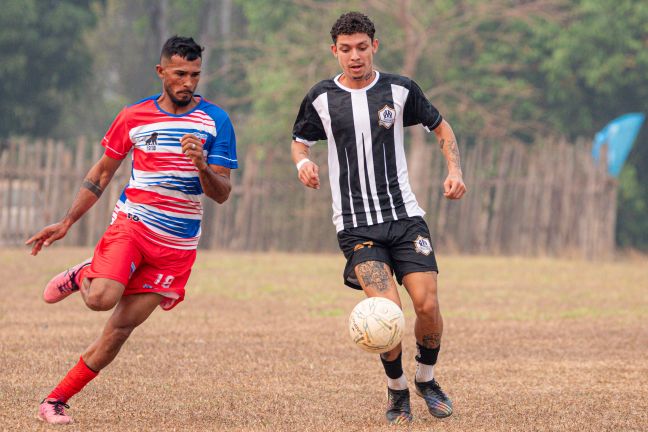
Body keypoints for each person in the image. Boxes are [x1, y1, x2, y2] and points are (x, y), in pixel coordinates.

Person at [25, 36, 237, 425]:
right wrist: (67, 221)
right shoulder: (133, 116)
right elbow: (102, 174)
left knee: (119, 331)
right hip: (133, 223)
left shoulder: (216, 121)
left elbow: (221, 193)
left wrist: (203, 166)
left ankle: (55, 400)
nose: (187, 82)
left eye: (194, 74)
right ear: (161, 72)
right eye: (179, 74)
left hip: (178, 246)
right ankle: (86, 274)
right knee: (101, 299)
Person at [291, 12, 466, 425]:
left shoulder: (400, 90)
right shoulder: (320, 97)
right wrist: (303, 164)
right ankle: (397, 390)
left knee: (426, 304)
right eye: (346, 49)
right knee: (387, 314)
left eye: (362, 47)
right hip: (356, 227)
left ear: (375, 47)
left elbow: (442, 129)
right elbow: (300, 141)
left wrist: (455, 171)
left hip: (405, 217)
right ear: (334, 51)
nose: (355, 56)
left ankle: (426, 378)